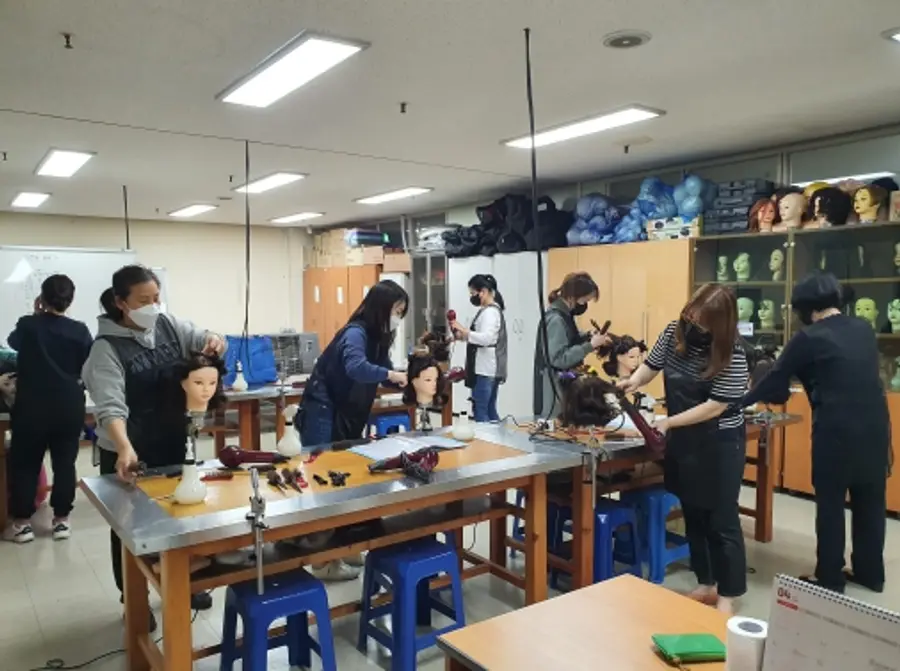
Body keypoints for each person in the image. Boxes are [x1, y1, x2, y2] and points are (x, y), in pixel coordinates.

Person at [82, 265, 225, 628]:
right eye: (143, 300)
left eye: (156, 297)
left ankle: (185, 580)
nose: (153, 305)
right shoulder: (105, 349)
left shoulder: (169, 325)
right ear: (121, 303)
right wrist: (124, 447)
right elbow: (110, 406)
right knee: (130, 527)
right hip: (129, 449)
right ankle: (133, 599)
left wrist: (214, 339)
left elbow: (202, 337)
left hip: (174, 439)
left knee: (181, 513)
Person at [740, 271, 890, 593]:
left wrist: (736, 403)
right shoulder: (863, 329)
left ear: (805, 309)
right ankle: (870, 573)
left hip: (836, 431)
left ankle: (830, 578)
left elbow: (775, 384)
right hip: (876, 428)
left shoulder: (808, 337)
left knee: (831, 504)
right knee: (870, 501)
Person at [618, 283, 749, 614]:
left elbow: (715, 406)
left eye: (701, 322)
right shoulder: (673, 332)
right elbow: (652, 366)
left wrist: (669, 422)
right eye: (690, 317)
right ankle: (706, 582)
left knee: (721, 519)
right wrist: (635, 380)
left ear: (719, 325)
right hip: (685, 441)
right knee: (693, 512)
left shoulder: (732, 352)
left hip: (719, 442)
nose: (692, 326)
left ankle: (727, 594)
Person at [297, 279, 409, 581]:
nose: (398, 317)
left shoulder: (378, 337)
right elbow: (356, 367)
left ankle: (343, 548)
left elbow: (380, 373)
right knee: (323, 484)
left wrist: (404, 378)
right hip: (322, 411)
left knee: (346, 480)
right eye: (396, 310)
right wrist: (391, 374)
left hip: (347, 412)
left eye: (401, 312)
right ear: (380, 308)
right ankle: (322, 562)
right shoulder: (356, 333)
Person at [4, 275, 92, 544]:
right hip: (68, 404)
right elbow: (86, 364)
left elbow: (13, 343)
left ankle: (22, 524)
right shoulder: (80, 330)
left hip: (31, 406)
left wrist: (36, 314)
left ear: (41, 298)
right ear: (70, 300)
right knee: (65, 463)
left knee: (25, 464)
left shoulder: (28, 325)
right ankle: (61, 521)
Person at [533, 272, 610, 418]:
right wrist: (590, 346)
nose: (584, 305)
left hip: (563, 383)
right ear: (572, 296)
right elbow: (559, 358)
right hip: (553, 389)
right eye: (585, 300)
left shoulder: (565, 316)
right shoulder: (556, 319)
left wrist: (587, 336)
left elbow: (569, 339)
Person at [450, 274, 507, 422]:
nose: (472, 297)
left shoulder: (490, 313)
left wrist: (464, 330)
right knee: (490, 409)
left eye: (473, 293)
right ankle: (497, 436)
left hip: (485, 369)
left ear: (483, 292)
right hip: (488, 368)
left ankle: (485, 436)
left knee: (481, 409)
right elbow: (479, 337)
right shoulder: (488, 311)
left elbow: (487, 339)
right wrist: (461, 336)